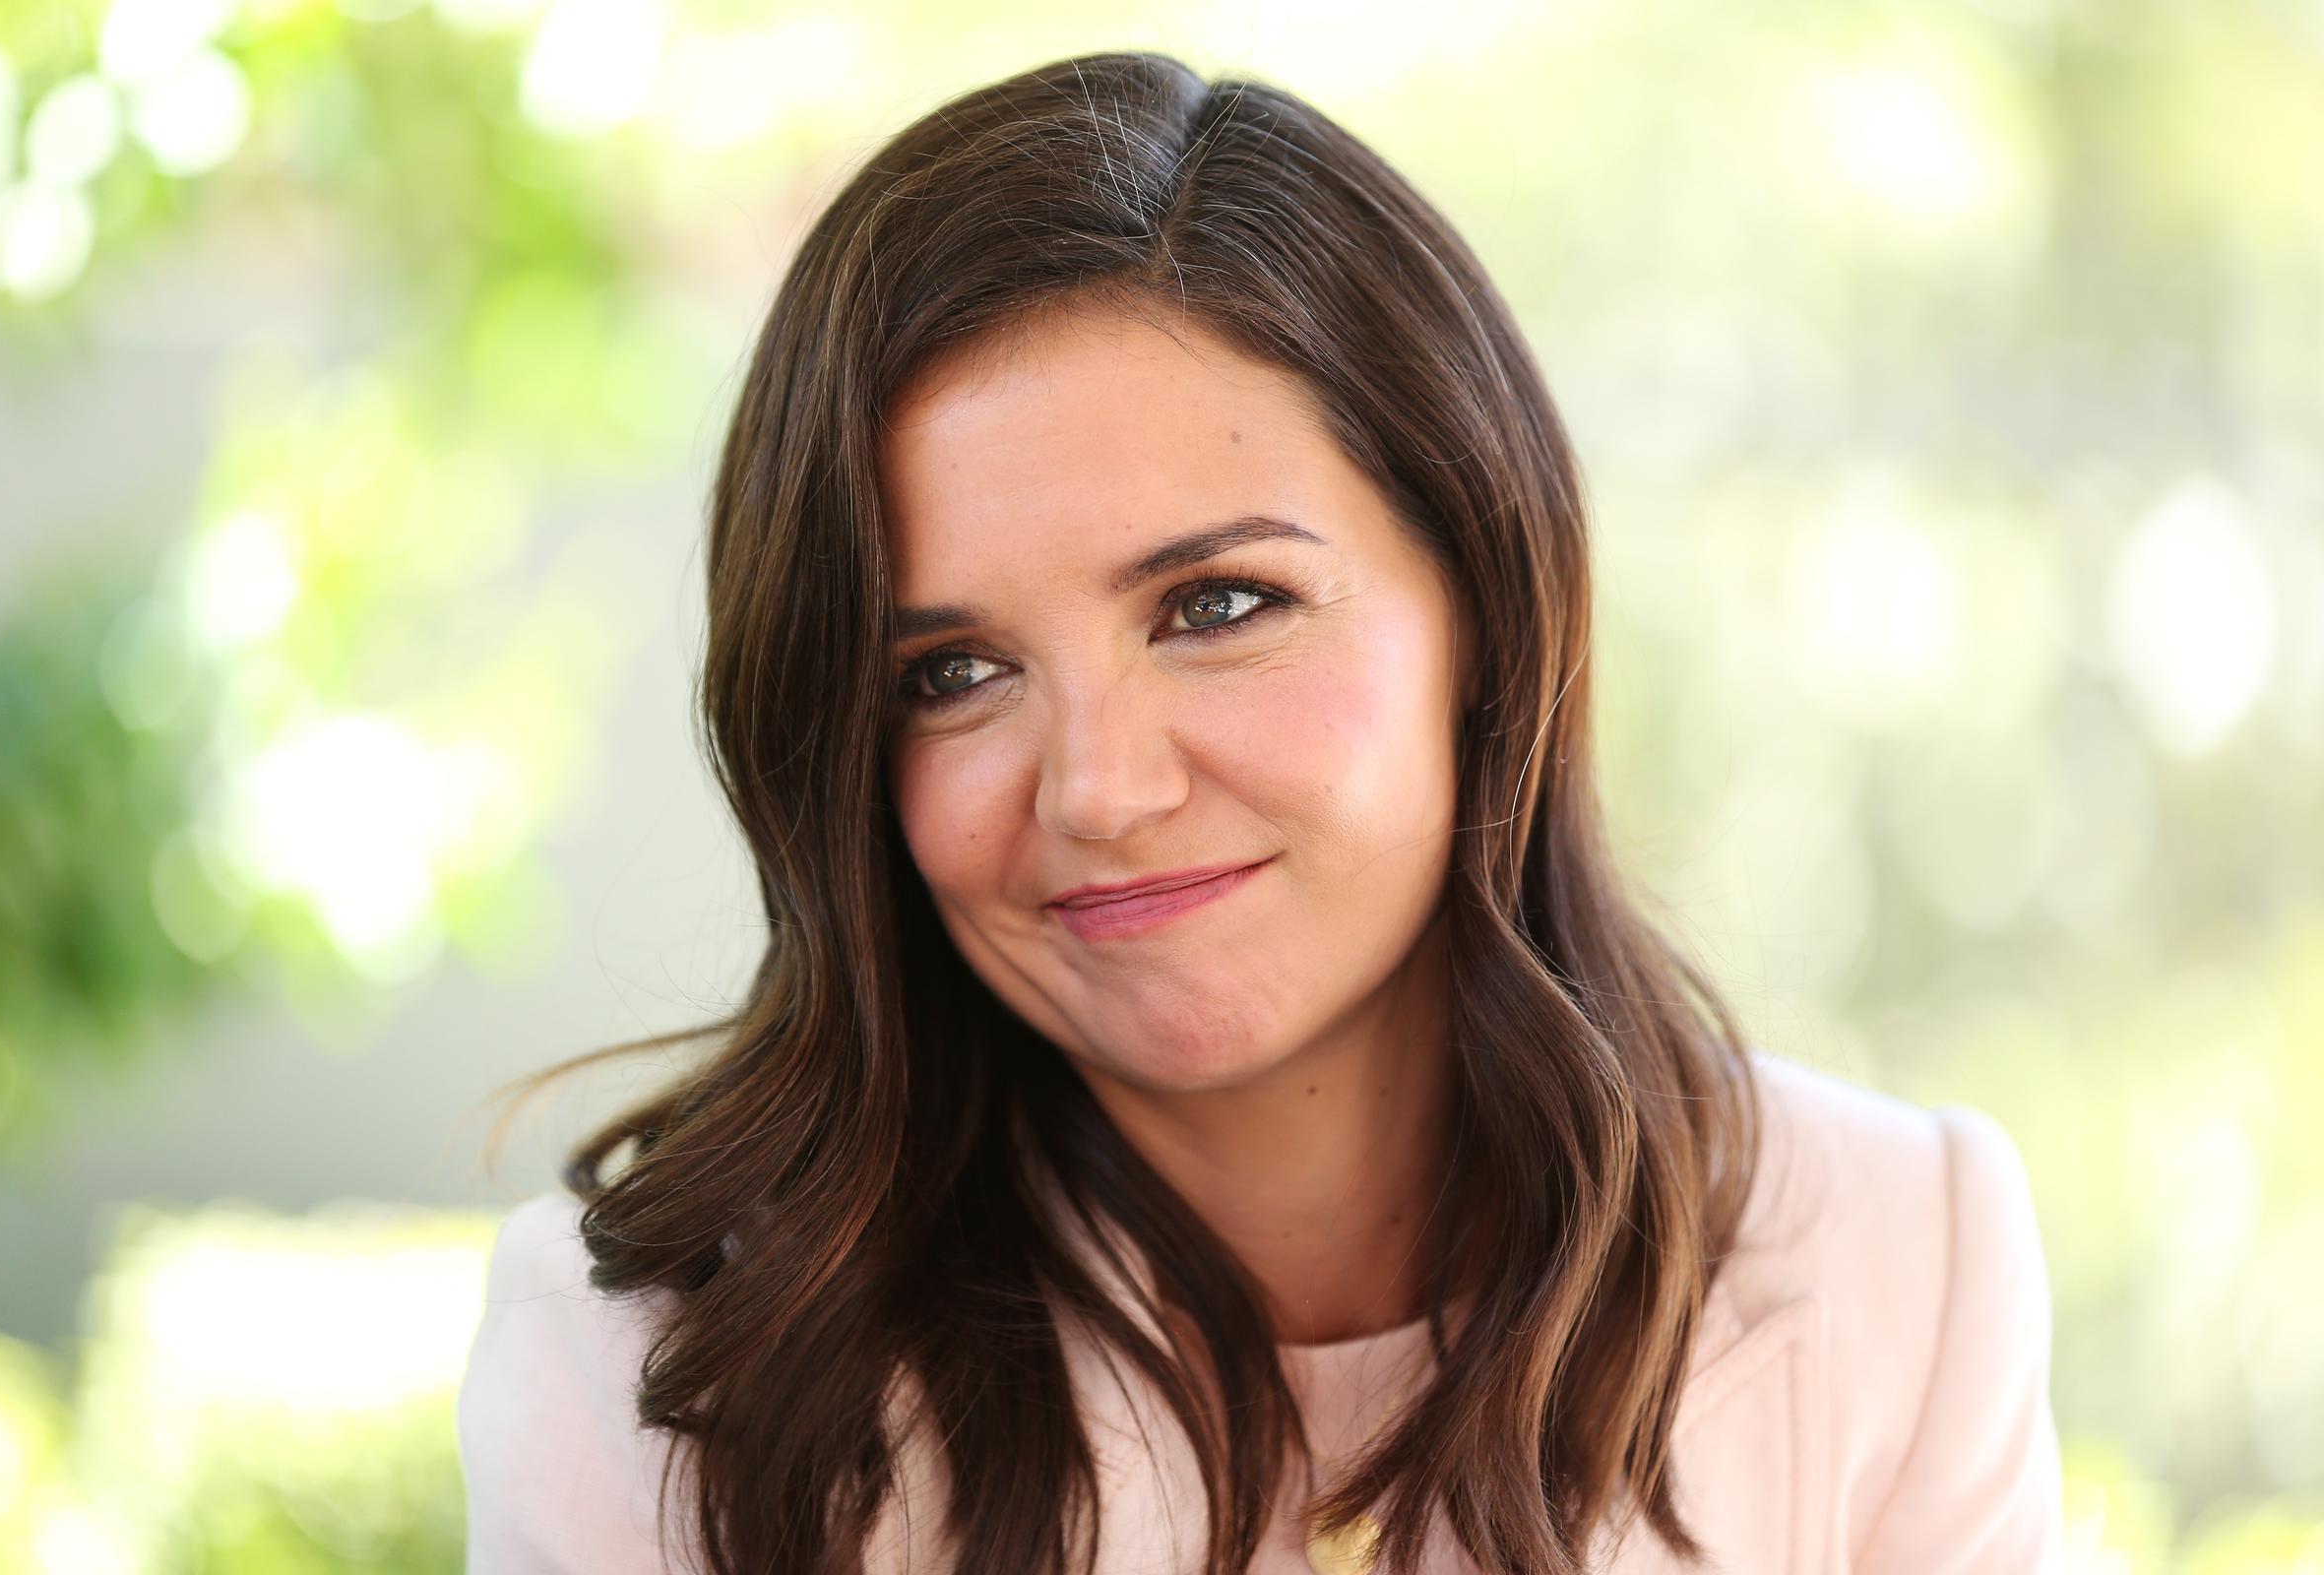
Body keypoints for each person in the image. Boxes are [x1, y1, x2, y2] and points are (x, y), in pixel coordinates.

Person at [456, 49, 2064, 1575]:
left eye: (1216, 605)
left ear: (1486, 604)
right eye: (950, 675)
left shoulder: (1899, 1263)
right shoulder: (654, 1368)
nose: (1099, 788)